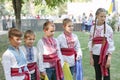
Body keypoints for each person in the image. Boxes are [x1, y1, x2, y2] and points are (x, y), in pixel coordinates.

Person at [88, 8, 115, 80]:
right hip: (95, 55)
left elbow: (111, 43)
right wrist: (91, 57)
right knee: (98, 74)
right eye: (101, 16)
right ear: (96, 16)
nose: (103, 18)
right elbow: (91, 42)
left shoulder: (108, 28)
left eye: (104, 16)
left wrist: (109, 58)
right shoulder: (92, 28)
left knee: (106, 75)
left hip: (105, 55)